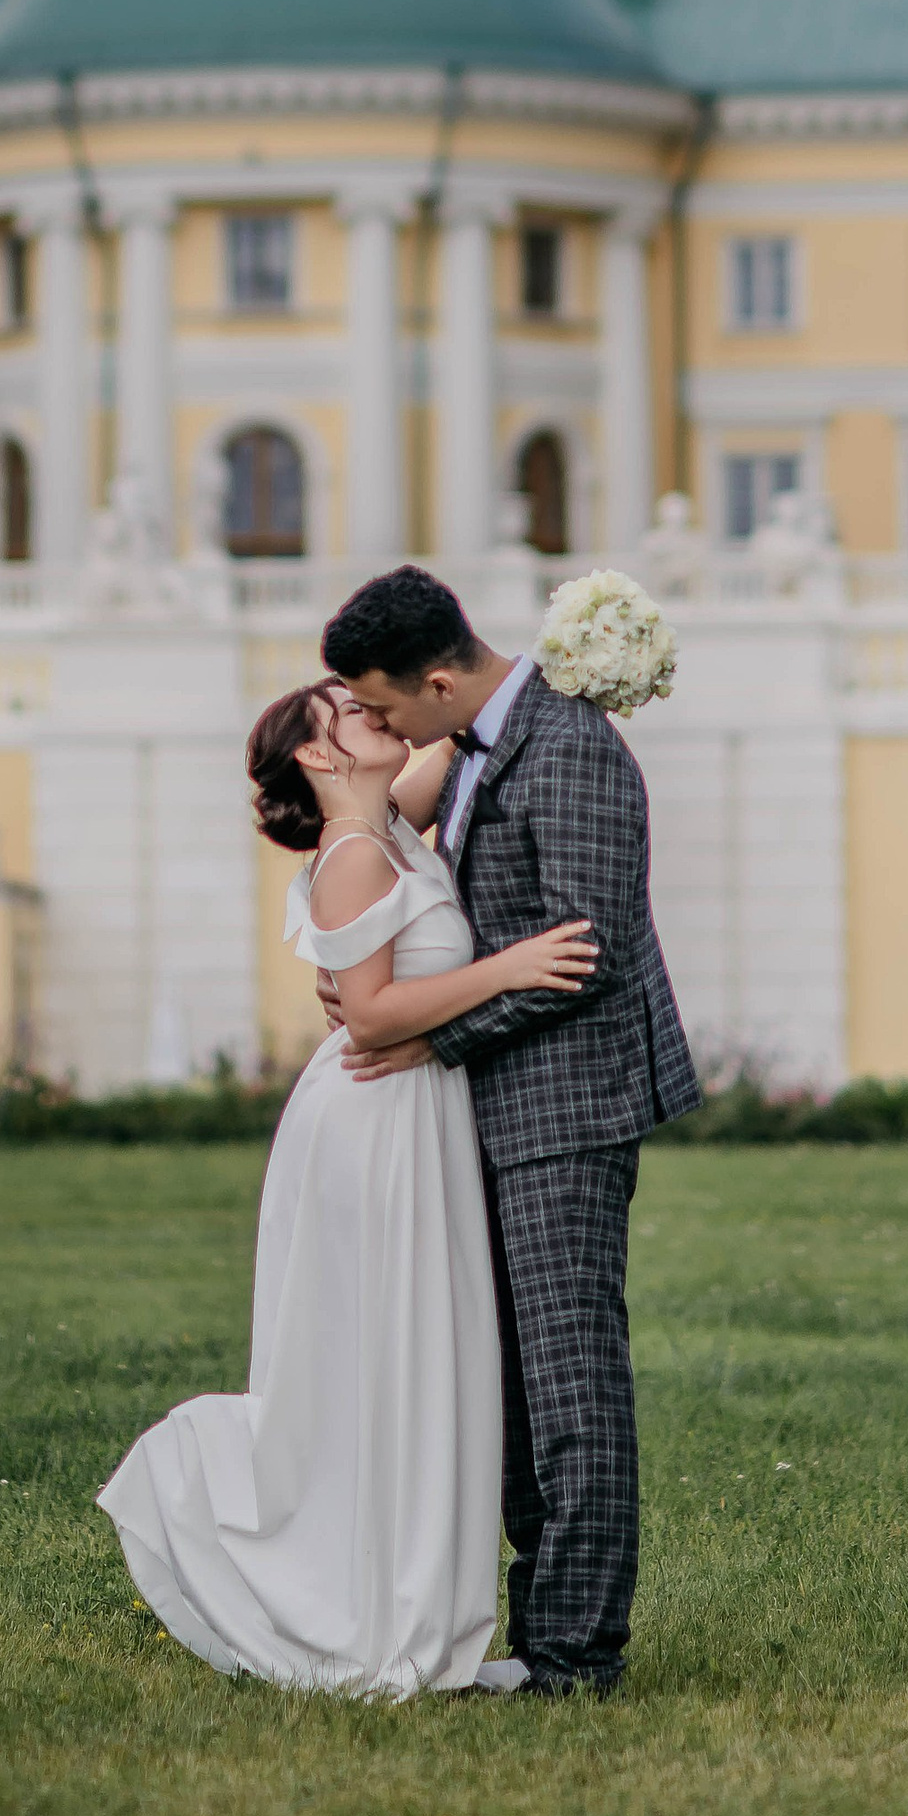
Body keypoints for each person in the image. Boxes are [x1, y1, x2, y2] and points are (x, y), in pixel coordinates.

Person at [97, 679, 599, 1698]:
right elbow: (369, 1015)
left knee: (426, 1352)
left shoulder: (392, 820)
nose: (369, 704)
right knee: (385, 1350)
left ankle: (419, 1602)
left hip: (414, 1116)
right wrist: (511, 967)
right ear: (318, 759)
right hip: (373, 1126)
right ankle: (353, 1596)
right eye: (343, 706)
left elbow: (467, 727)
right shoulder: (356, 855)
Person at [322, 563, 700, 1700]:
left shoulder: (570, 746)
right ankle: (541, 1631)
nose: (381, 726)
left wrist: (432, 1037)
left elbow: (577, 953)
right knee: (516, 1387)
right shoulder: (483, 744)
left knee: (571, 1385)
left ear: (439, 680)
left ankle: (579, 1652)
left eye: (385, 708)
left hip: (566, 1107)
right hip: (497, 1108)